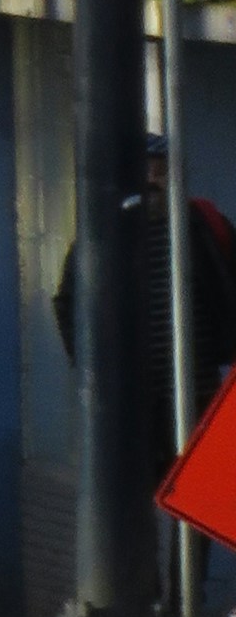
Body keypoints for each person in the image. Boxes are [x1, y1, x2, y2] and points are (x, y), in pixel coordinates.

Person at [49, 147, 236, 472]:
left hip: (200, 390)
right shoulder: (100, 238)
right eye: (145, 172)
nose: (153, 180)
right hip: (133, 399)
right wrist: (94, 369)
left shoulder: (204, 227)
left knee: (206, 487)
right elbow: (68, 305)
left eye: (161, 171)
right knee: (140, 492)